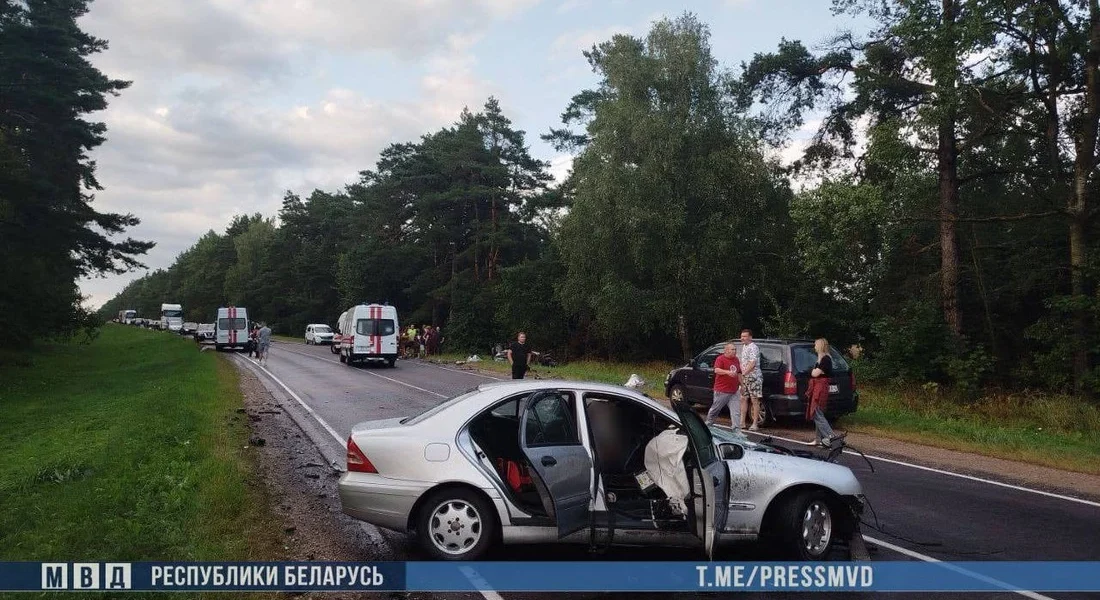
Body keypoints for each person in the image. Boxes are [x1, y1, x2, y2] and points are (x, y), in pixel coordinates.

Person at [806, 338, 844, 447]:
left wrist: (814, 371)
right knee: (818, 413)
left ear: (820, 346)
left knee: (816, 412)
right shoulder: (821, 359)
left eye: (816, 345)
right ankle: (819, 439)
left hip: (820, 387)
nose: (814, 347)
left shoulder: (825, 359)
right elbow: (816, 372)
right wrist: (815, 371)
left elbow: (814, 374)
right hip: (818, 386)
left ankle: (831, 436)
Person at [706, 343, 742, 428]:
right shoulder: (720, 359)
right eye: (732, 349)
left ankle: (736, 429)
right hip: (722, 390)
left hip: (734, 390)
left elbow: (739, 373)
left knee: (736, 411)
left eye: (735, 349)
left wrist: (742, 385)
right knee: (716, 409)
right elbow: (716, 370)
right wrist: (727, 372)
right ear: (726, 350)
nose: (734, 351)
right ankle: (708, 423)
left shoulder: (736, 359)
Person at [738, 329, 763, 431]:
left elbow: (752, 363)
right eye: (742, 336)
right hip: (745, 377)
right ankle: (742, 422)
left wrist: (744, 373)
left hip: (754, 377)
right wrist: (741, 373)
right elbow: (742, 361)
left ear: (750, 337)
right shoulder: (744, 347)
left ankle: (755, 423)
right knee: (743, 398)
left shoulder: (753, 347)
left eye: (745, 336)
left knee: (754, 400)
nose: (742, 338)